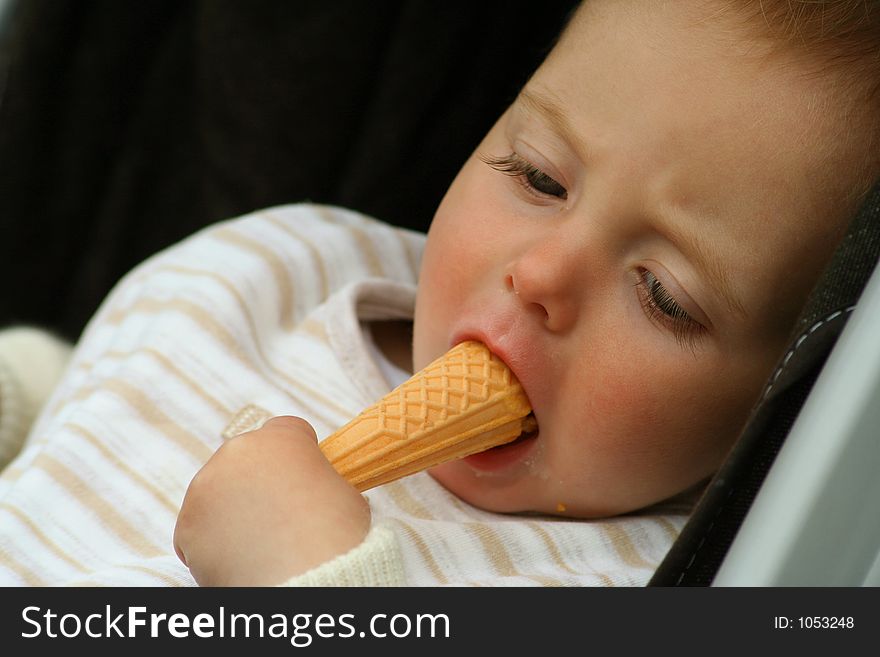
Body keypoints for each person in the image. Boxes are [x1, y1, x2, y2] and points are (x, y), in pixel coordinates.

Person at [2, 0, 879, 586]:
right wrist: (27, 394)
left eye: (664, 295)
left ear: (762, 413)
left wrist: (315, 581)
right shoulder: (289, 267)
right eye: (537, 176)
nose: (540, 275)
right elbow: (109, 391)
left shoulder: (645, 576)